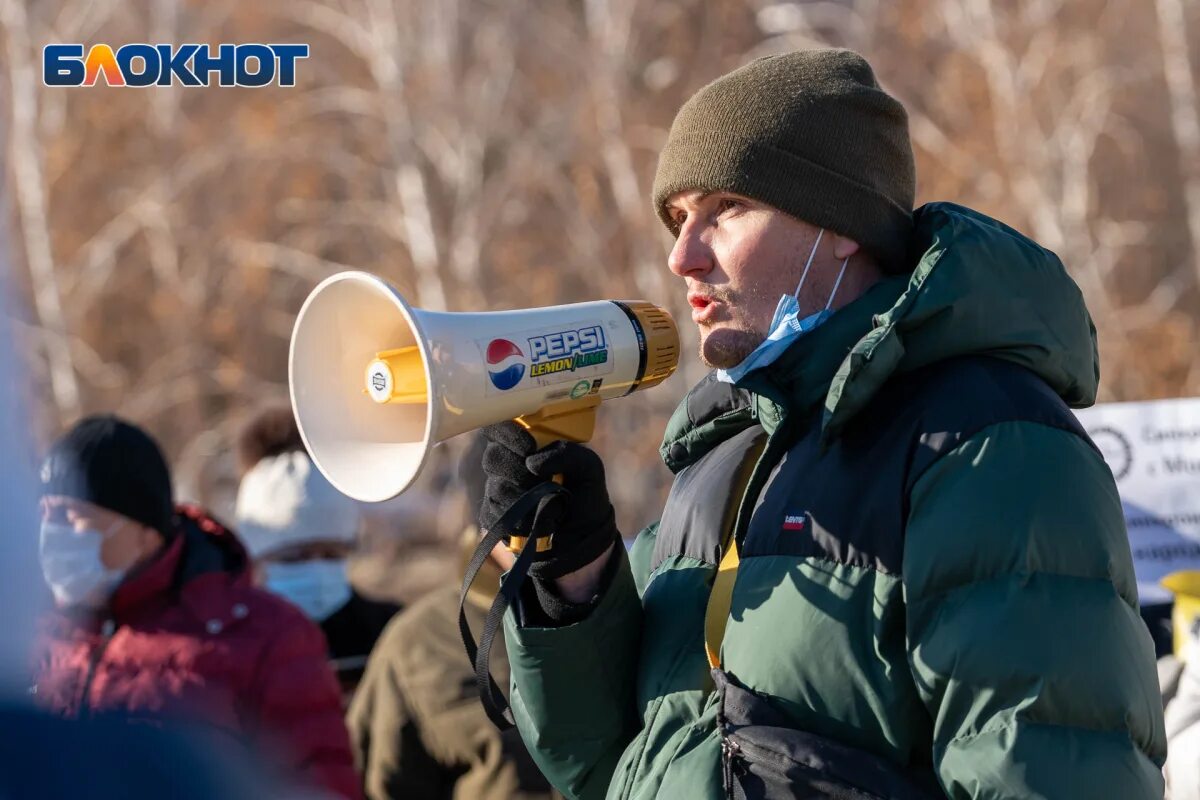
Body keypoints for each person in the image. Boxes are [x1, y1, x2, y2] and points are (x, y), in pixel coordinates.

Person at [483, 50, 1167, 799]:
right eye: (679, 220)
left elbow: (1052, 773)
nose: (684, 256)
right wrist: (573, 582)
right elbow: (605, 766)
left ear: (841, 225)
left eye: (726, 209)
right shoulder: (719, 460)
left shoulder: (989, 444)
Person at [31, 414, 360, 799]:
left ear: (144, 532)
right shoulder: (28, 634)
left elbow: (320, 785)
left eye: (75, 517)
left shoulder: (266, 638)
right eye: (46, 516)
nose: (53, 535)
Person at [347, 434, 558, 800]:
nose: (548, 540)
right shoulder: (419, 643)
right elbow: (379, 784)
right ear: (484, 527)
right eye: (524, 524)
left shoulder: (636, 610)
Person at [235, 406, 400, 694]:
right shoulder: (228, 646)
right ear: (254, 557)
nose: (316, 568)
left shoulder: (390, 635)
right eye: (293, 557)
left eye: (331, 554)